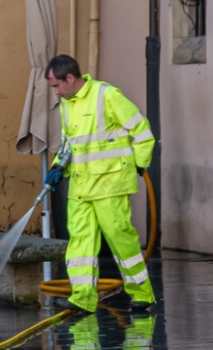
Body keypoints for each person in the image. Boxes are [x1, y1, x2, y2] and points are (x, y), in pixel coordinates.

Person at [42, 54, 155, 314]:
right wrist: (58, 167)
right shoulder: (66, 104)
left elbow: (142, 132)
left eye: (57, 85)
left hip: (110, 185)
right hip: (81, 187)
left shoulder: (107, 95)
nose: (55, 92)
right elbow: (70, 143)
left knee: (121, 240)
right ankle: (82, 298)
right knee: (80, 244)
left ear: (70, 78)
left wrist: (139, 163)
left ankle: (142, 294)